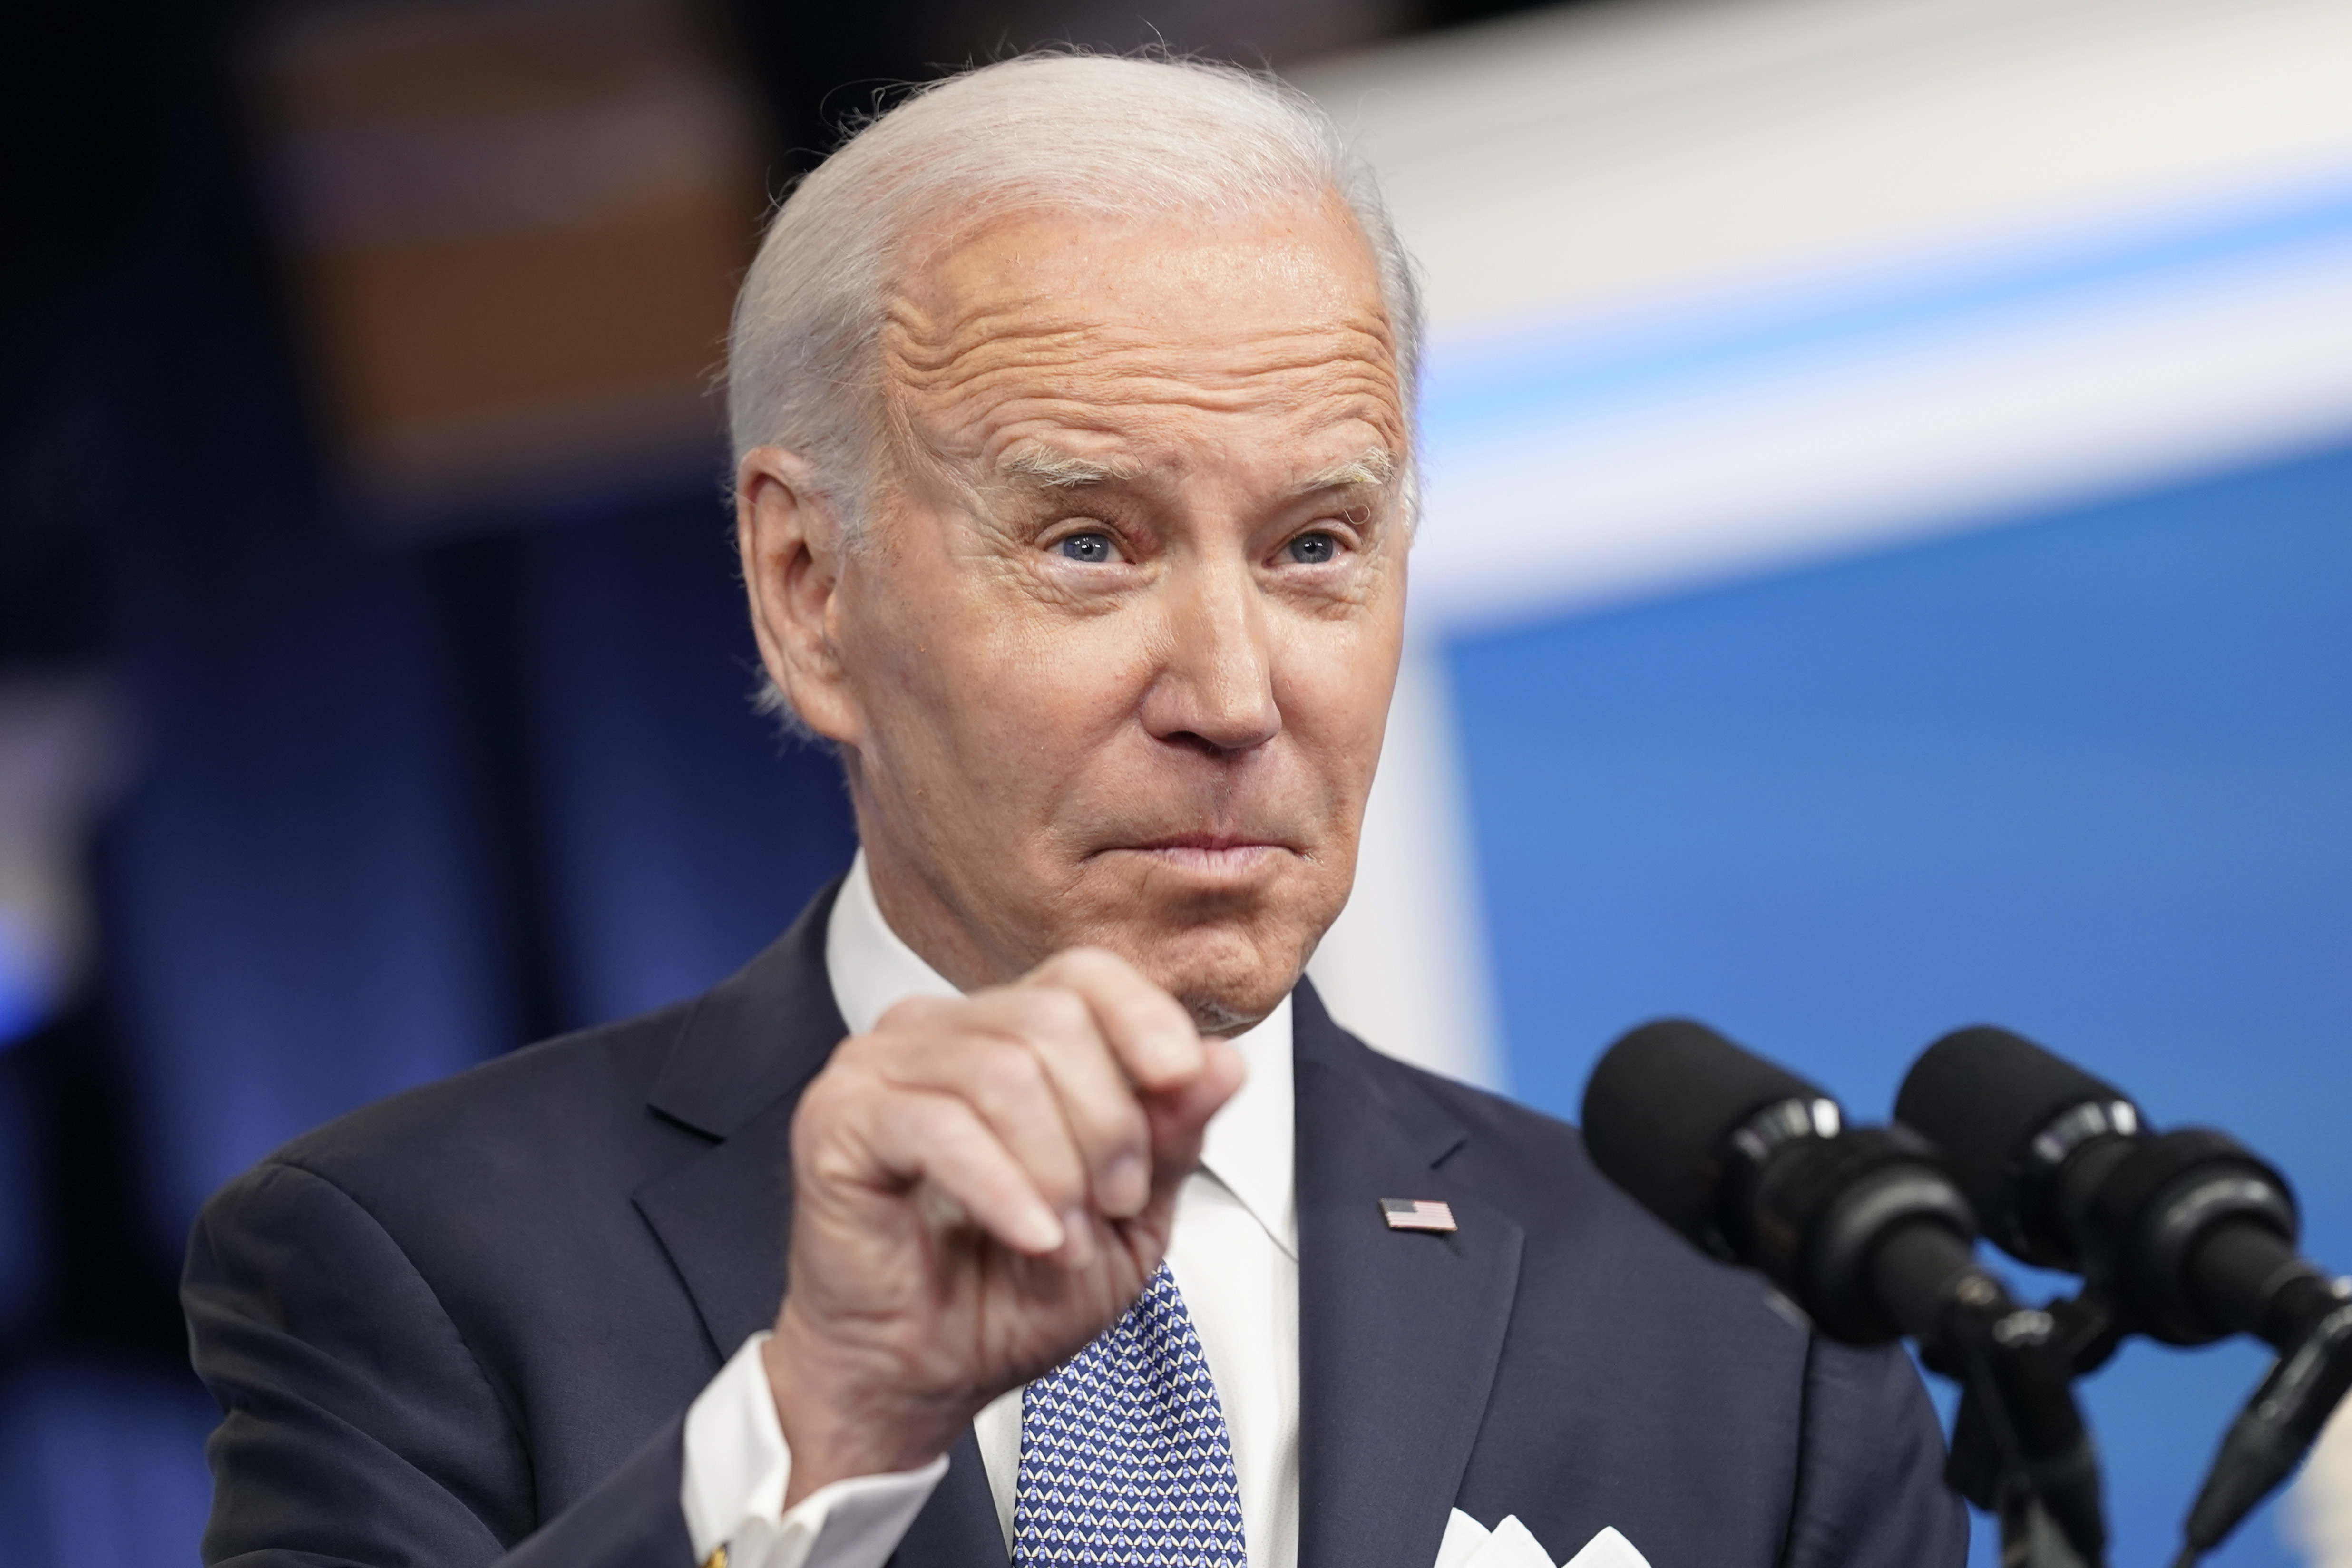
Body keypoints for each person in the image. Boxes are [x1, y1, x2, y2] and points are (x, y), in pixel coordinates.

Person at [183, 52, 1966, 1568]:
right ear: (809, 588)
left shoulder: (1745, 1342)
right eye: (1091, 544)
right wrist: (820, 1428)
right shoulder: (410, 1261)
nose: (1233, 694)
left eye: (1314, 545)